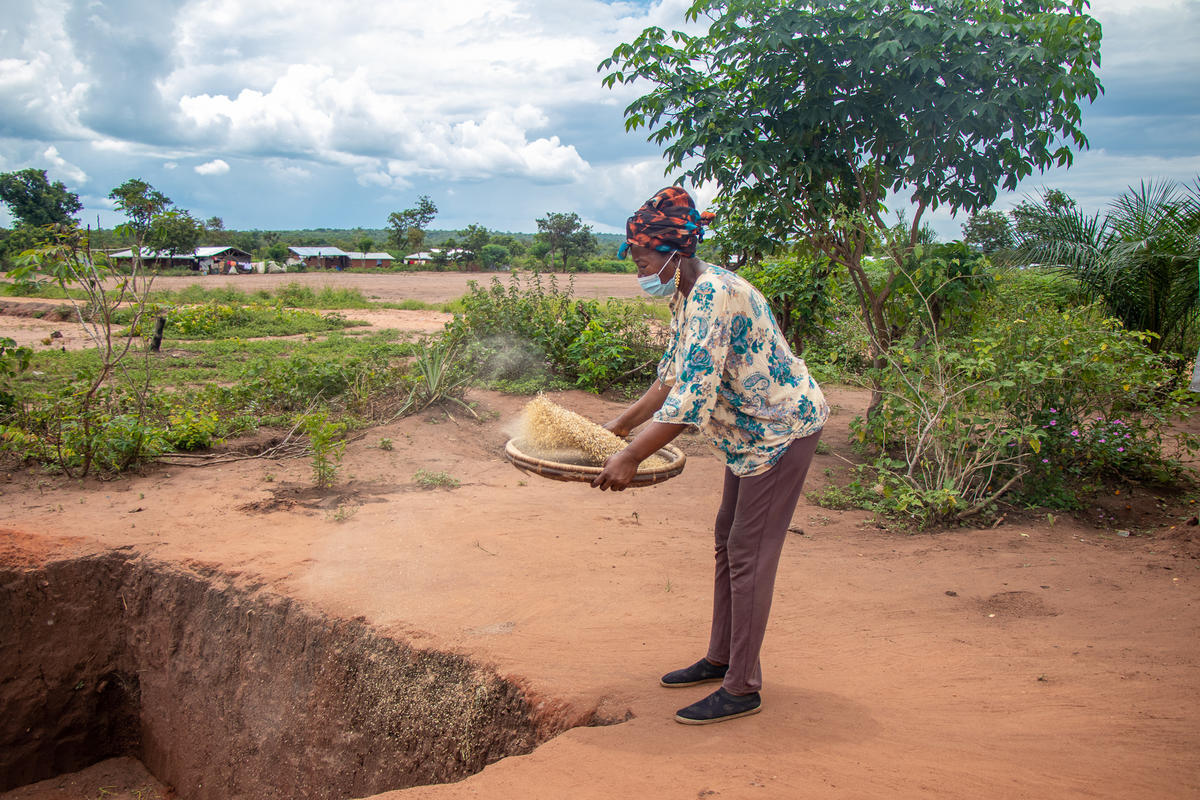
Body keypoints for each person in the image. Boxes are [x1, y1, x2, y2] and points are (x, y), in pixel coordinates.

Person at [592, 186, 829, 725]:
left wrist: (630, 456)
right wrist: (617, 425)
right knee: (728, 540)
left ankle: (743, 686)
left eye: (643, 260)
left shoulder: (712, 296)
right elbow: (671, 378)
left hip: (780, 430)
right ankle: (721, 657)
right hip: (748, 436)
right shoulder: (687, 291)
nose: (639, 273)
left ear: (674, 252)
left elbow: (691, 400)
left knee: (749, 551)